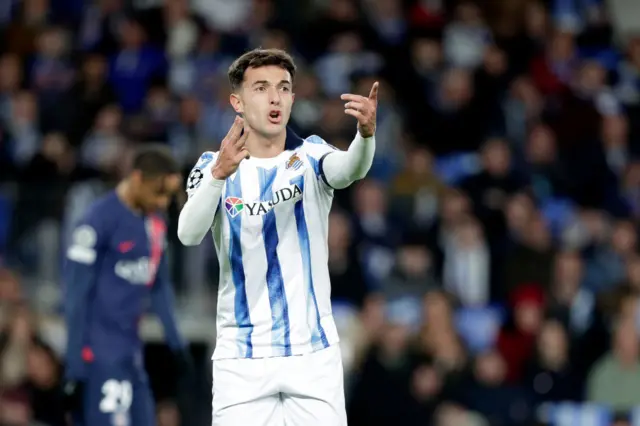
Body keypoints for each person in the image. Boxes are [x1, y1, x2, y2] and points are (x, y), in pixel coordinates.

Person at [177, 48, 378, 425]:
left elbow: (350, 169)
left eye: (284, 88)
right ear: (237, 101)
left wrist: (364, 137)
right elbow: (188, 234)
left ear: (292, 98)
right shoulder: (212, 165)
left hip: (311, 355)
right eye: (261, 87)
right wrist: (220, 173)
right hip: (242, 358)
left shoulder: (312, 155)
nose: (275, 97)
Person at [62, 145, 190, 426]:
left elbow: (158, 285)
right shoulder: (97, 221)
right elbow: (75, 297)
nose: (163, 203)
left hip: (132, 353)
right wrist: (73, 367)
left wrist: (175, 341)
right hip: (100, 354)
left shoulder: (155, 224)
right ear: (137, 179)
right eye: (159, 193)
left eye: (169, 196)